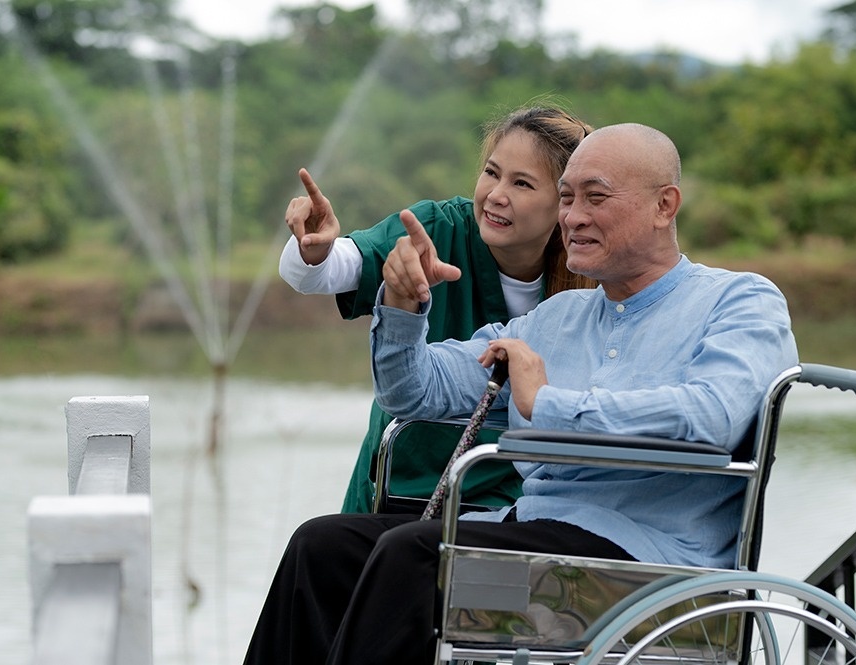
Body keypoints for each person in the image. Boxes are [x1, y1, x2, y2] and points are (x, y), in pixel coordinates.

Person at [243, 123, 799, 665]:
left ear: (664, 205)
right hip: (532, 544)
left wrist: (546, 403)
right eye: (566, 198)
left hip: (645, 573)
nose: (573, 217)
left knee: (415, 559)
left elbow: (713, 415)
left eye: (595, 197)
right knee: (325, 548)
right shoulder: (558, 317)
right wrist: (403, 307)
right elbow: (415, 392)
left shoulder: (739, 300)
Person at [279, 104, 597, 513]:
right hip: (401, 488)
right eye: (492, 173)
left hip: (513, 500)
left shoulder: (590, 267)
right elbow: (325, 272)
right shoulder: (438, 230)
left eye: (522, 183)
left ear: (565, 203)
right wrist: (314, 247)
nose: (496, 195)